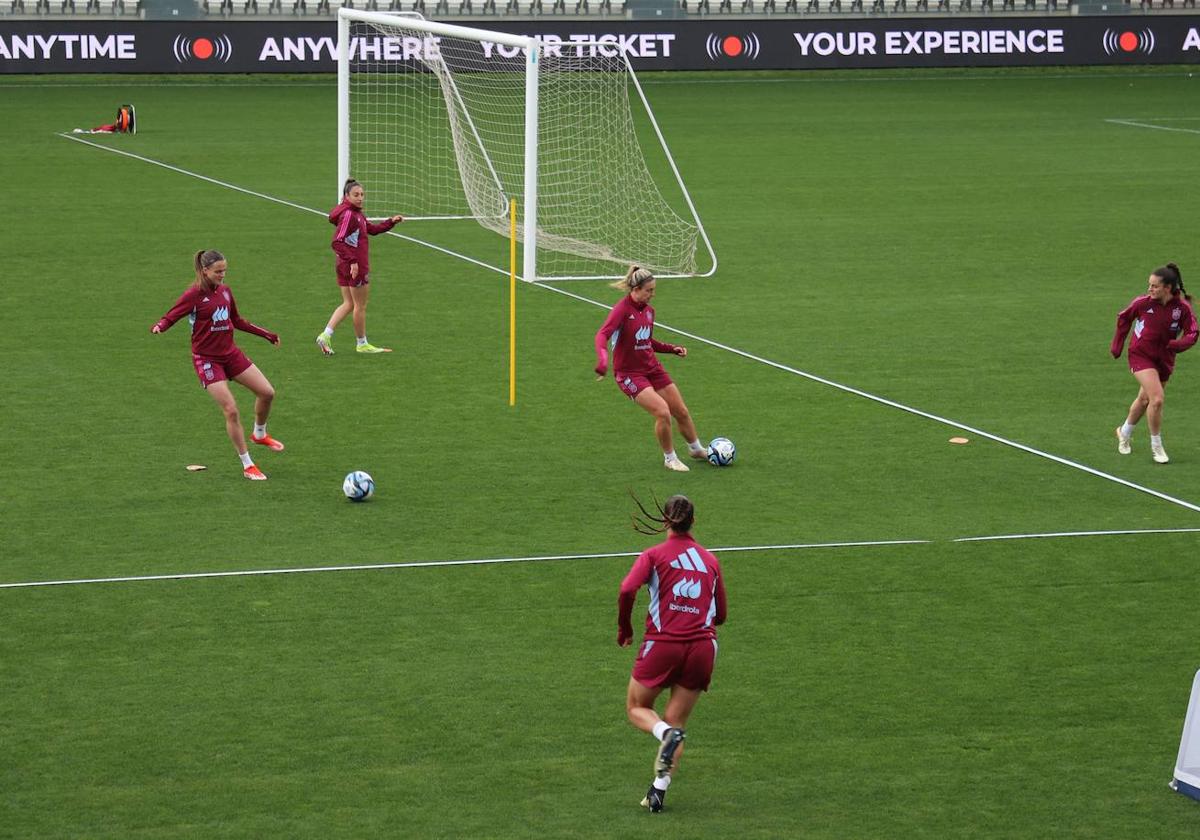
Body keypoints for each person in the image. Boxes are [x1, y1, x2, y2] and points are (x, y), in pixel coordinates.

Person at [617, 493, 727, 813]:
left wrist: (625, 628)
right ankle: (658, 791)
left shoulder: (653, 555)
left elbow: (626, 589)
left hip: (664, 644)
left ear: (666, 521)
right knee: (677, 719)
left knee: (638, 707)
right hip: (703, 648)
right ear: (693, 521)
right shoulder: (710, 560)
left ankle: (665, 735)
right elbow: (720, 615)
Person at [152, 250, 283, 481]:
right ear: (205, 271)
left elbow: (236, 321)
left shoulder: (225, 292)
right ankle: (248, 464)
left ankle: (259, 434)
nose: (223, 275)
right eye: (218, 271)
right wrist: (161, 325)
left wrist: (266, 334)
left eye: (225, 270)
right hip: (207, 360)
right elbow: (172, 314)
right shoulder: (194, 294)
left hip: (230, 354)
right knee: (231, 409)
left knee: (267, 392)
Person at [594, 265, 708, 472]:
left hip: (652, 368)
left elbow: (646, 340)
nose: (652, 295)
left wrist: (672, 349)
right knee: (663, 412)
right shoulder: (621, 310)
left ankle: (696, 449)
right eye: (649, 291)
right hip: (629, 374)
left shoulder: (648, 311)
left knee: (680, 411)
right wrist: (603, 360)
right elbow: (602, 334)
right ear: (635, 289)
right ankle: (670, 458)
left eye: (653, 290)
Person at [1111, 262, 1197, 464]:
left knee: (1144, 400)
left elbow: (1193, 332)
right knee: (1157, 399)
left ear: (1167, 288)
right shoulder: (1143, 303)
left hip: (1165, 359)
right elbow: (1124, 319)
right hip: (1141, 355)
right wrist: (1117, 345)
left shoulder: (1182, 308)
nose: (1150, 289)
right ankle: (1156, 446)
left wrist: (1178, 344)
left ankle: (1124, 432)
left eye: (1154, 286)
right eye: (1149, 285)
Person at [316, 178, 404, 355]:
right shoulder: (350, 215)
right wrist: (354, 262)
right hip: (354, 266)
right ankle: (361, 343)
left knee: (348, 303)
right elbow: (337, 242)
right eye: (356, 195)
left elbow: (371, 229)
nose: (360, 198)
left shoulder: (355, 214)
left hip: (343, 265)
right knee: (360, 306)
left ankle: (325, 335)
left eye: (362, 194)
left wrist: (391, 222)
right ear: (346, 196)